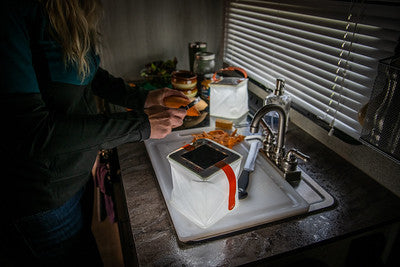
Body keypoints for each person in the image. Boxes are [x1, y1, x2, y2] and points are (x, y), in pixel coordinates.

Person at [0, 0, 188, 266]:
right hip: (42, 197)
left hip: (77, 178)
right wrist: (141, 124)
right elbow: (33, 132)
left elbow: (90, 74)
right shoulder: (13, 13)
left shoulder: (72, 9)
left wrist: (144, 98)